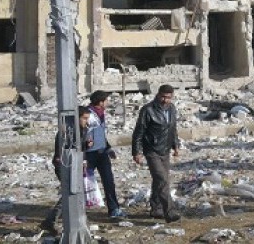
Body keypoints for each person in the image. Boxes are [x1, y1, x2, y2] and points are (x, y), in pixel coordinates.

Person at [132, 85, 181, 223]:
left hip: (165, 150)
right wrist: (137, 152)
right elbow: (139, 132)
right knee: (162, 180)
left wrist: (176, 145)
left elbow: (173, 128)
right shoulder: (148, 110)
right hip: (151, 150)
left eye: (168, 97)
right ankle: (169, 212)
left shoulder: (172, 109)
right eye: (163, 97)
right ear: (158, 95)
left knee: (159, 180)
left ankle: (156, 208)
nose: (165, 100)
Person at [42, 106, 92, 234]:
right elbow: (64, 149)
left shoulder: (83, 130)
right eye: (84, 118)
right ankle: (51, 220)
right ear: (77, 118)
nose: (86, 121)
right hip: (65, 165)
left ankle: (66, 220)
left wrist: (86, 147)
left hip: (76, 165)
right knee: (69, 192)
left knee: (73, 192)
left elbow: (80, 148)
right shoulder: (67, 131)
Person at [86, 91, 126, 219]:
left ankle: (114, 209)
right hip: (88, 155)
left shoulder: (101, 113)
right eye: (106, 100)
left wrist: (108, 148)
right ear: (101, 102)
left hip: (102, 152)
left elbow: (101, 134)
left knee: (109, 181)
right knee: (85, 183)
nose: (108, 102)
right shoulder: (87, 114)